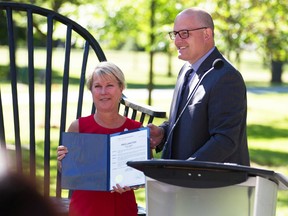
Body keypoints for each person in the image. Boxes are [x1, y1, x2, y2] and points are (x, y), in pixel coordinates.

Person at [148, 8, 250, 166]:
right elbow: (188, 122)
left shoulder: (226, 77)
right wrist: (163, 132)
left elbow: (225, 140)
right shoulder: (186, 70)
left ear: (207, 34)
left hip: (210, 185)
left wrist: (186, 168)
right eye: (175, 34)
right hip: (179, 180)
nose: (177, 41)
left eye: (184, 33)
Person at [57, 62, 141, 216]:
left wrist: (134, 183)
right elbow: (69, 173)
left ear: (121, 88)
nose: (103, 92)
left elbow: (141, 176)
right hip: (85, 207)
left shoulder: (136, 129)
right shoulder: (78, 127)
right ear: (91, 91)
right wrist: (62, 162)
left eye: (109, 85)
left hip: (122, 206)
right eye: (97, 86)